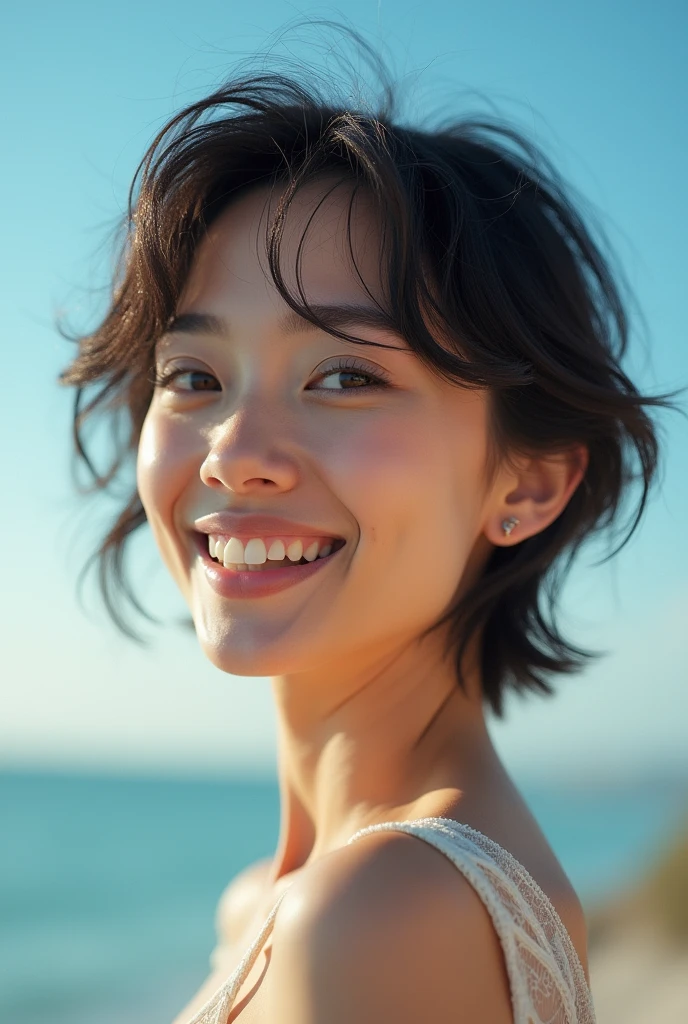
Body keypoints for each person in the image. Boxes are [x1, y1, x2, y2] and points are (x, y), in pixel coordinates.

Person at [58, 29, 683, 1024]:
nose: (232, 449)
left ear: (527, 482)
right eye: (194, 377)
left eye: (344, 376)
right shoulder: (281, 901)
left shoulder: (382, 915)